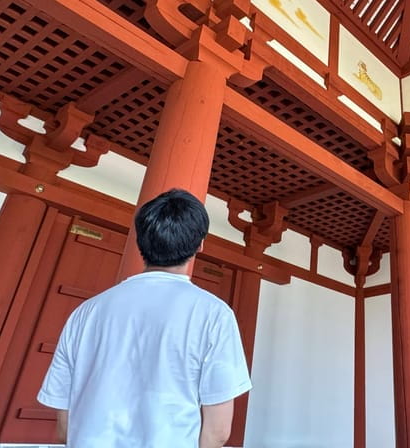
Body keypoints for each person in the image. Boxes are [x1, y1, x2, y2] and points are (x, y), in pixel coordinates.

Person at [38, 189, 251, 447]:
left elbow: (64, 425)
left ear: (140, 240)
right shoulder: (214, 314)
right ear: (200, 244)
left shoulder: (86, 312)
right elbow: (217, 432)